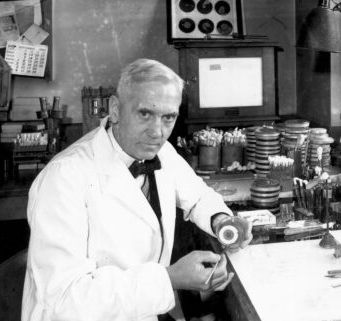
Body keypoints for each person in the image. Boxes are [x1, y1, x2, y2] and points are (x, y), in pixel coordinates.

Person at [22, 59, 252, 321]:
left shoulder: (160, 151)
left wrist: (221, 221)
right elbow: (65, 301)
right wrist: (169, 279)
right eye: (145, 114)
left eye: (168, 118)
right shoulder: (63, 178)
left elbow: (199, 197)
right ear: (116, 109)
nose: (157, 132)